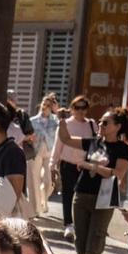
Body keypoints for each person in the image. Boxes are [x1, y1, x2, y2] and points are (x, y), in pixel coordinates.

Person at [70, 107, 128, 254]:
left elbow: (117, 174)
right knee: (80, 245)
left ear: (118, 127)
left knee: (94, 246)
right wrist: (62, 121)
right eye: (100, 121)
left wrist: (89, 166)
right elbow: (65, 139)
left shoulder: (123, 149)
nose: (101, 125)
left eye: (105, 122)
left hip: (104, 199)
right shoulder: (93, 143)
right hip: (81, 195)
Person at [50, 95, 95, 228]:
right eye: (77, 107)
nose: (81, 111)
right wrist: (52, 165)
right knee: (68, 194)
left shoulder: (91, 124)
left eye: (84, 107)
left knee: (83, 196)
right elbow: (58, 145)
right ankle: (68, 223)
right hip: (68, 164)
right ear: (72, 108)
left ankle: (81, 222)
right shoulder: (65, 123)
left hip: (86, 165)